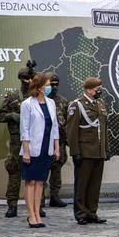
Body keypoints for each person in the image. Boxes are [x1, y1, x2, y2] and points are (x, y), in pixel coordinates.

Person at [66, 77, 109, 225]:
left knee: (95, 184)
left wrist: (105, 149)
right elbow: (71, 131)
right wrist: (75, 152)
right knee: (82, 184)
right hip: (84, 151)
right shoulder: (77, 105)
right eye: (97, 89)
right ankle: (81, 213)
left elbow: (103, 129)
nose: (100, 91)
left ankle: (92, 212)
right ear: (89, 90)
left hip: (98, 151)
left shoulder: (101, 104)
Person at [20, 73, 60, 228]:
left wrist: (56, 147)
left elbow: (55, 127)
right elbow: (24, 129)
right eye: (48, 84)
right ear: (40, 86)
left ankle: (38, 213)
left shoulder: (51, 103)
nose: (50, 87)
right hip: (32, 148)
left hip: (47, 147)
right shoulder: (27, 104)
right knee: (30, 182)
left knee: (40, 182)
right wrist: (26, 151)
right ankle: (31, 215)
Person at [0, 67, 33, 218]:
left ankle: (37, 205)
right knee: (14, 171)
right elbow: (1, 116)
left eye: (32, 78)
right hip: (16, 140)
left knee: (35, 173)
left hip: (34, 138)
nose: (29, 81)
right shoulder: (13, 96)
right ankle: (12, 205)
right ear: (21, 79)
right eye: (26, 78)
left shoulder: (37, 96)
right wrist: (13, 115)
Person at [45, 73, 69, 209]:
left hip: (59, 142)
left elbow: (68, 122)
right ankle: (40, 199)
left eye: (56, 84)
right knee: (42, 171)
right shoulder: (39, 101)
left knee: (57, 170)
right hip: (44, 140)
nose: (54, 87)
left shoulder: (63, 101)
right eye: (51, 84)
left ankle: (54, 196)